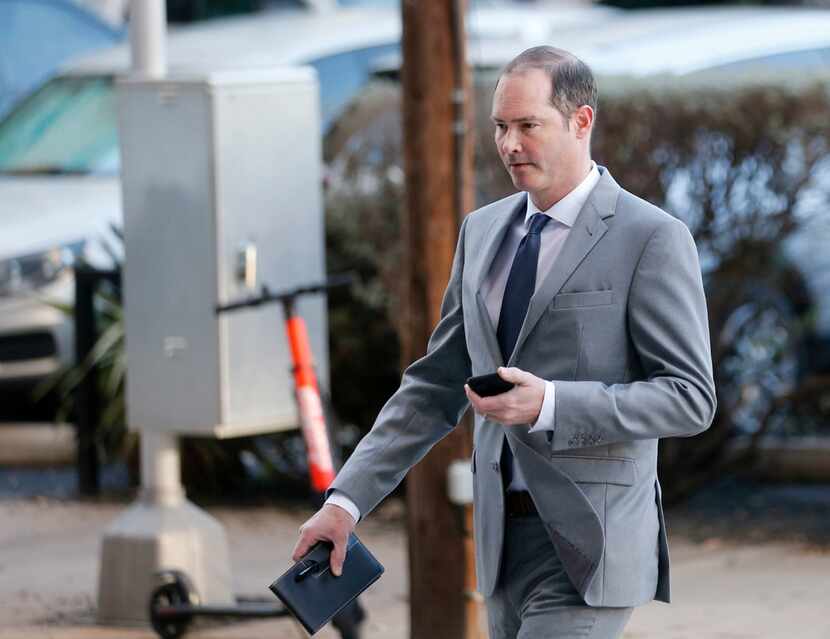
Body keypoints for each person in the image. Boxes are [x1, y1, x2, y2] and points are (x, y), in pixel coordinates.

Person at [292, 46, 716, 639]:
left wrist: (553, 405)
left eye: (528, 126)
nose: (510, 144)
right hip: (498, 544)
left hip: (589, 545)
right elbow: (433, 387)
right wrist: (345, 503)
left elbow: (689, 397)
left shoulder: (651, 238)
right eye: (500, 127)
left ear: (581, 121)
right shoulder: (484, 230)